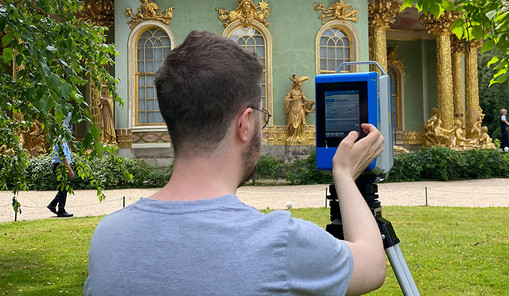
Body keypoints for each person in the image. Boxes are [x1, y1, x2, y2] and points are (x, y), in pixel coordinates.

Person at [84, 30, 386, 295]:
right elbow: (372, 265)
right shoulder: (279, 243)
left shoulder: (108, 237)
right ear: (244, 124)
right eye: (261, 118)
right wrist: (344, 173)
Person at [47, 134, 75, 218]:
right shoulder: (61, 139)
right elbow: (62, 156)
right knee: (63, 188)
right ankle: (61, 210)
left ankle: (53, 204)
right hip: (60, 166)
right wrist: (70, 169)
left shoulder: (58, 139)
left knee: (63, 187)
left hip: (59, 165)